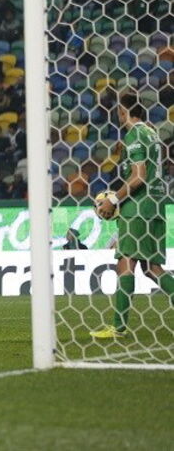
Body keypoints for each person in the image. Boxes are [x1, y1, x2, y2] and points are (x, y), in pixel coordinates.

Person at [91, 92, 174, 339]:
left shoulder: (135, 133)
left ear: (123, 111)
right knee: (152, 268)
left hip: (138, 207)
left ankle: (118, 327)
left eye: (119, 110)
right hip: (156, 206)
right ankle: (118, 327)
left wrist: (113, 199)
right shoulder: (151, 133)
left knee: (125, 262)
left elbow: (137, 177)